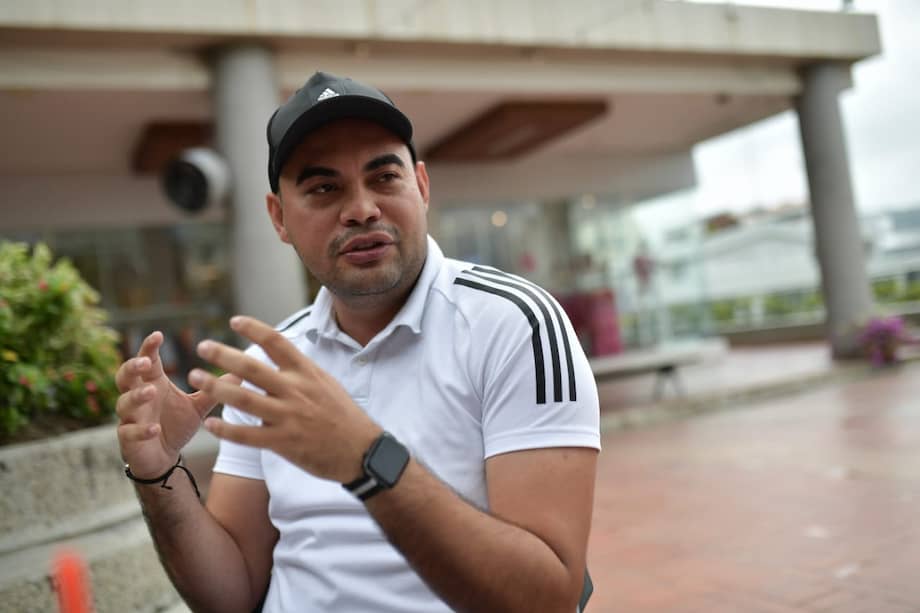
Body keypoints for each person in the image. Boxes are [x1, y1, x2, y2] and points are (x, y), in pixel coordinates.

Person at [115, 71, 600, 612]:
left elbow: (548, 599)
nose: (362, 208)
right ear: (279, 218)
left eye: (384, 177)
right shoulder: (271, 365)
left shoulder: (514, 325)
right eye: (324, 188)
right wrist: (158, 471)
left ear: (421, 187)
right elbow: (231, 594)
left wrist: (367, 460)